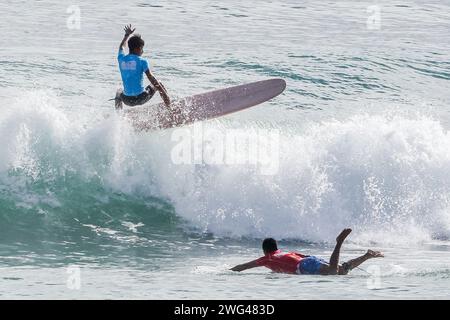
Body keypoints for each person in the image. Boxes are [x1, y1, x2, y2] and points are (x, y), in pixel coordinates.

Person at [230, 228, 383, 275]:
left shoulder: (267, 259)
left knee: (333, 272)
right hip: (309, 260)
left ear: (265, 251)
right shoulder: (284, 253)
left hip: (304, 266)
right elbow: (303, 256)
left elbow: (243, 267)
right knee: (342, 270)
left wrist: (227, 271)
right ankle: (367, 255)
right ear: (276, 247)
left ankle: (339, 243)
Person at [115, 24, 171, 109]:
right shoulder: (142, 61)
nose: (142, 51)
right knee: (158, 83)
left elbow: (121, 46)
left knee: (119, 91)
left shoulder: (121, 59)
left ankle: (118, 116)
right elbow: (152, 78)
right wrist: (165, 95)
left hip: (127, 100)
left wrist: (127, 35)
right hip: (141, 98)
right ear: (138, 48)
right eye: (142, 49)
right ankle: (170, 107)